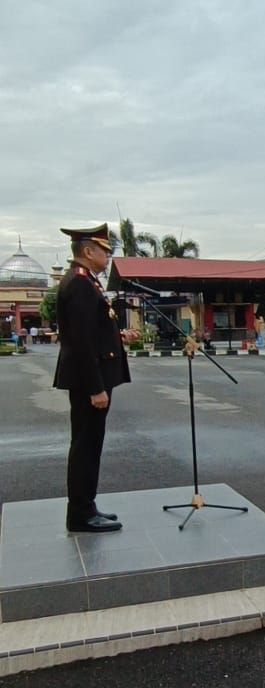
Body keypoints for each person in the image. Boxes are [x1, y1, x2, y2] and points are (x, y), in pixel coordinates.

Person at [53, 223, 137, 533]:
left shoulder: (87, 282)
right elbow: (79, 343)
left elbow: (93, 332)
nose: (108, 255)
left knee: (90, 445)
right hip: (90, 382)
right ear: (87, 251)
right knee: (86, 446)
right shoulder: (79, 285)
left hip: (94, 377)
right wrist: (95, 387)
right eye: (105, 250)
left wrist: (118, 336)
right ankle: (80, 514)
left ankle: (86, 506)